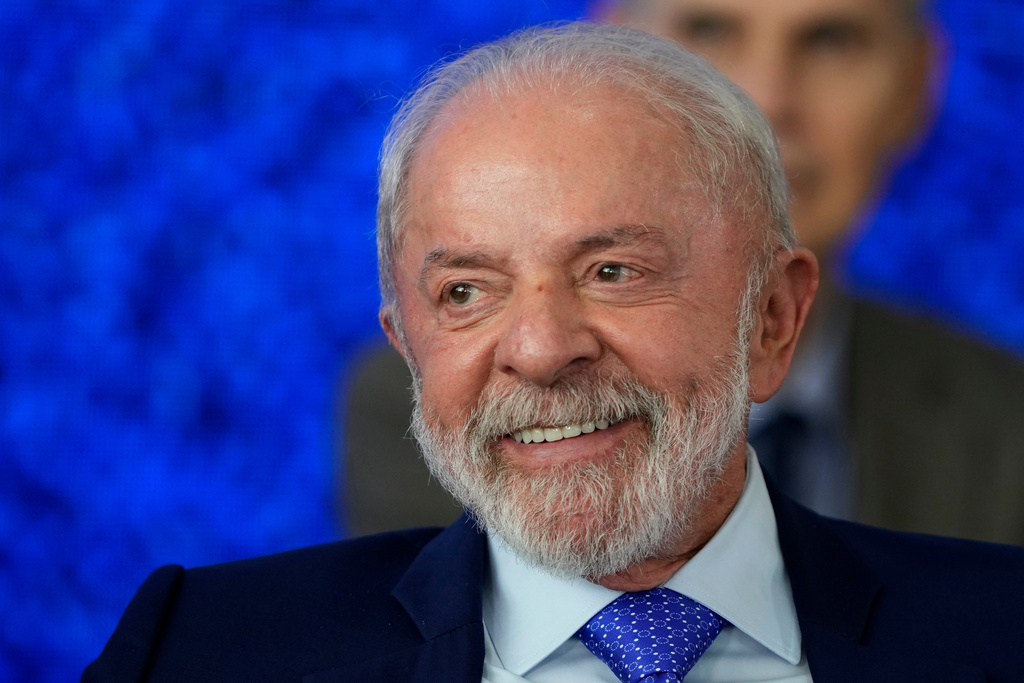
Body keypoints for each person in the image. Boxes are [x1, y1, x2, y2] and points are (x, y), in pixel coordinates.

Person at [86, 23, 1024, 682]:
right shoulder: (192, 652)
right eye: (466, 291)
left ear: (772, 320)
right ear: (407, 348)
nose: (539, 350)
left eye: (613, 270)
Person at [344, 0, 1024, 542]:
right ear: (608, 56)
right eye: (709, 28)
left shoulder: (1006, 418)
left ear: (915, 84)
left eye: (832, 42)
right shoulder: (430, 407)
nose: (767, 98)